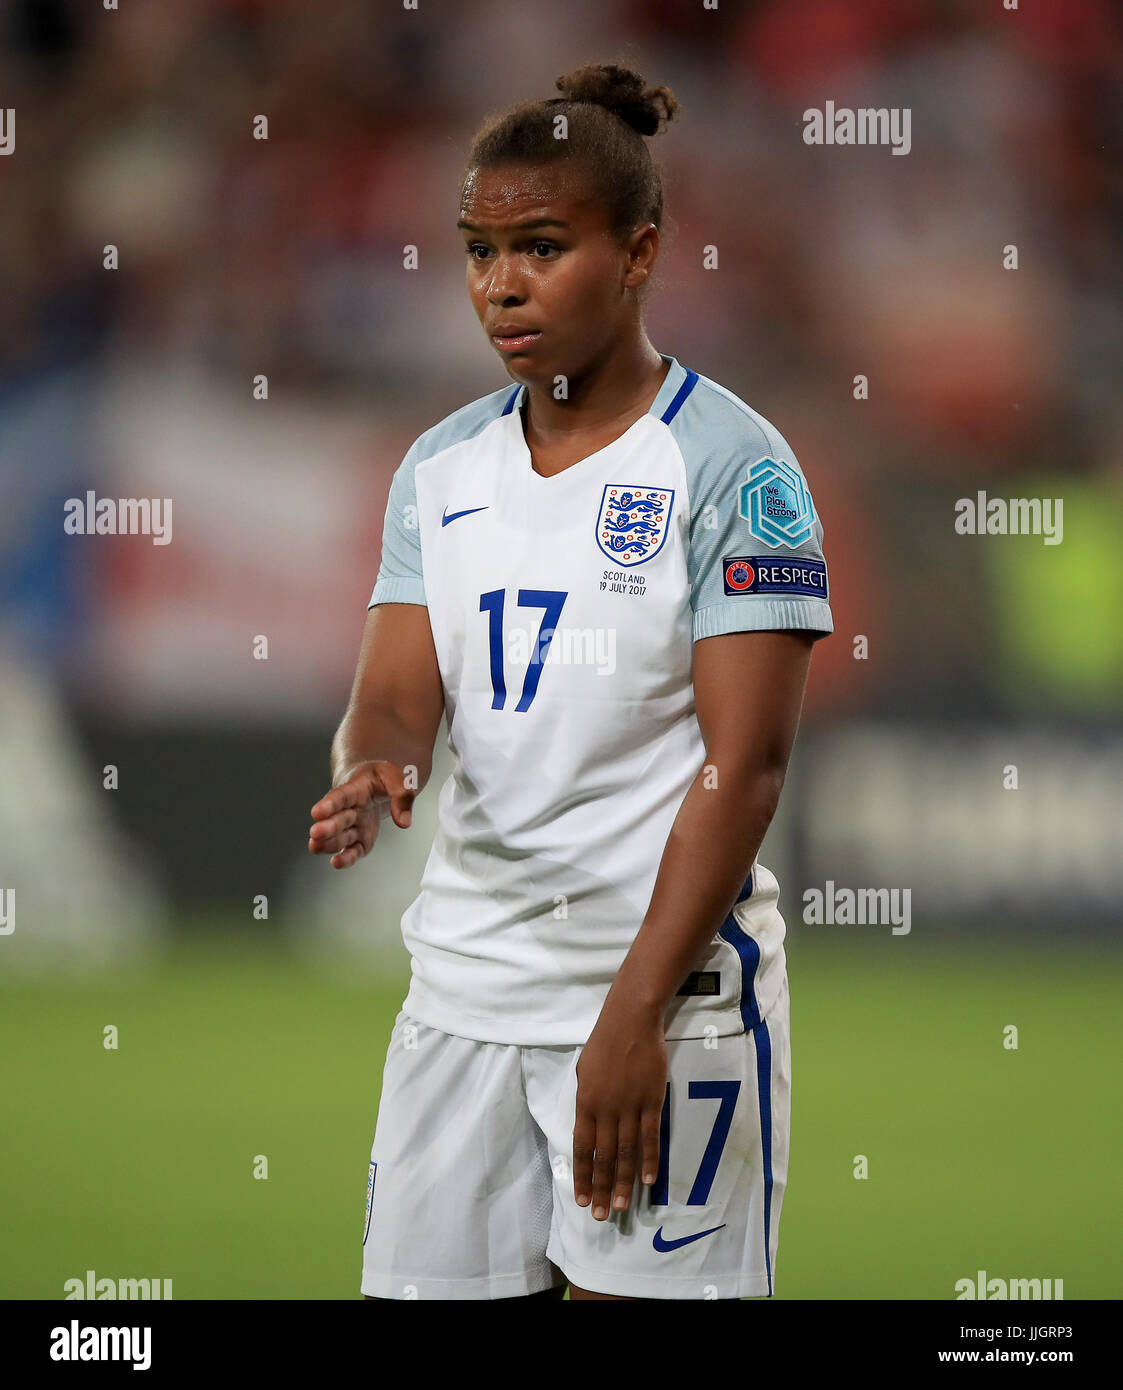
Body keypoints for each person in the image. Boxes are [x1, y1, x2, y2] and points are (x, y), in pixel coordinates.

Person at [308, 63, 833, 1301]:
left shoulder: (734, 469)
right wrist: (371, 762)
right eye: (479, 250)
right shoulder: (439, 467)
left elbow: (745, 764)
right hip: (465, 996)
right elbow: (393, 688)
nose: (500, 283)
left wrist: (631, 1016)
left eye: (541, 245)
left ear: (640, 251)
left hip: (665, 1005)